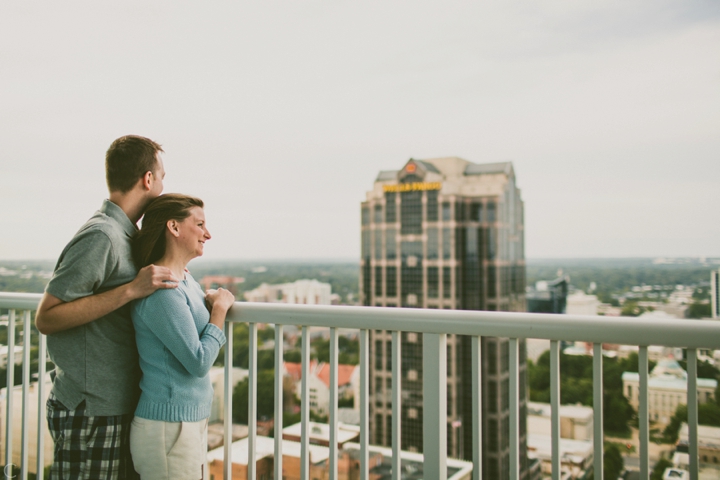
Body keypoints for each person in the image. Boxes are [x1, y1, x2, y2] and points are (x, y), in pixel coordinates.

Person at [35, 135, 180, 480]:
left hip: (110, 404)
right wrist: (132, 289)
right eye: (162, 177)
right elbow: (47, 317)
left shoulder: (124, 235)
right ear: (148, 179)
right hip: (90, 407)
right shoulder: (102, 235)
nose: (162, 185)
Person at [128, 194, 234, 480]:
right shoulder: (163, 291)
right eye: (199, 224)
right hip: (167, 427)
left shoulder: (184, 279)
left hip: (185, 421)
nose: (207, 234)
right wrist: (220, 311)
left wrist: (207, 297)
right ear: (173, 227)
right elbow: (198, 362)